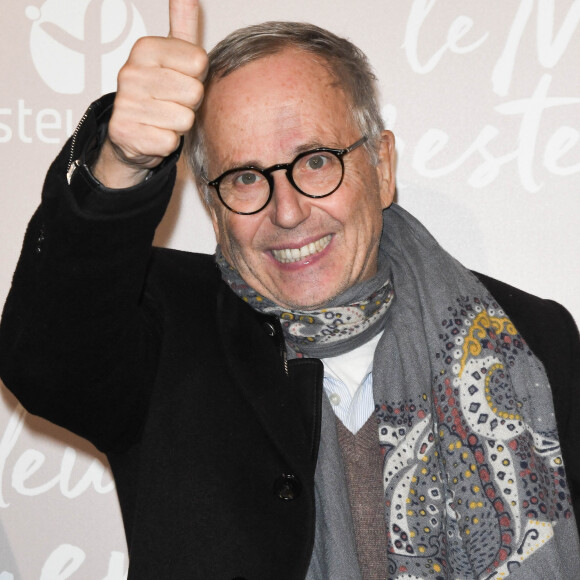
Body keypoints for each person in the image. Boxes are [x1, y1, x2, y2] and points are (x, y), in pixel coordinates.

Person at [1, 0, 579, 578]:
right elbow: (47, 360)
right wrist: (122, 162)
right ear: (212, 202)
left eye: (316, 162)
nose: (287, 211)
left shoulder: (535, 339)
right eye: (246, 176)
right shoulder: (160, 330)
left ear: (382, 166)